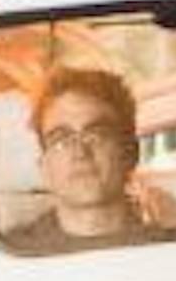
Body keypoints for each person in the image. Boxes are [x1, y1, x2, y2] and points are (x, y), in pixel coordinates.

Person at [14, 65, 160, 250]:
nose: (80, 152)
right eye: (61, 139)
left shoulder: (168, 249)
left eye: (96, 135)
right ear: (43, 166)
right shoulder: (11, 253)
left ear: (131, 153)